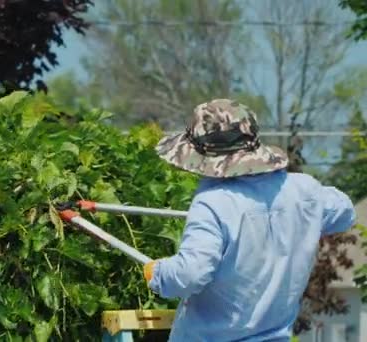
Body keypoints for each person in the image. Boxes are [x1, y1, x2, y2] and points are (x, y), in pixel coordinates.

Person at [143, 99, 356, 341]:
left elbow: (190, 274)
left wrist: (158, 273)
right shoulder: (305, 192)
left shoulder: (213, 203)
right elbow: (345, 211)